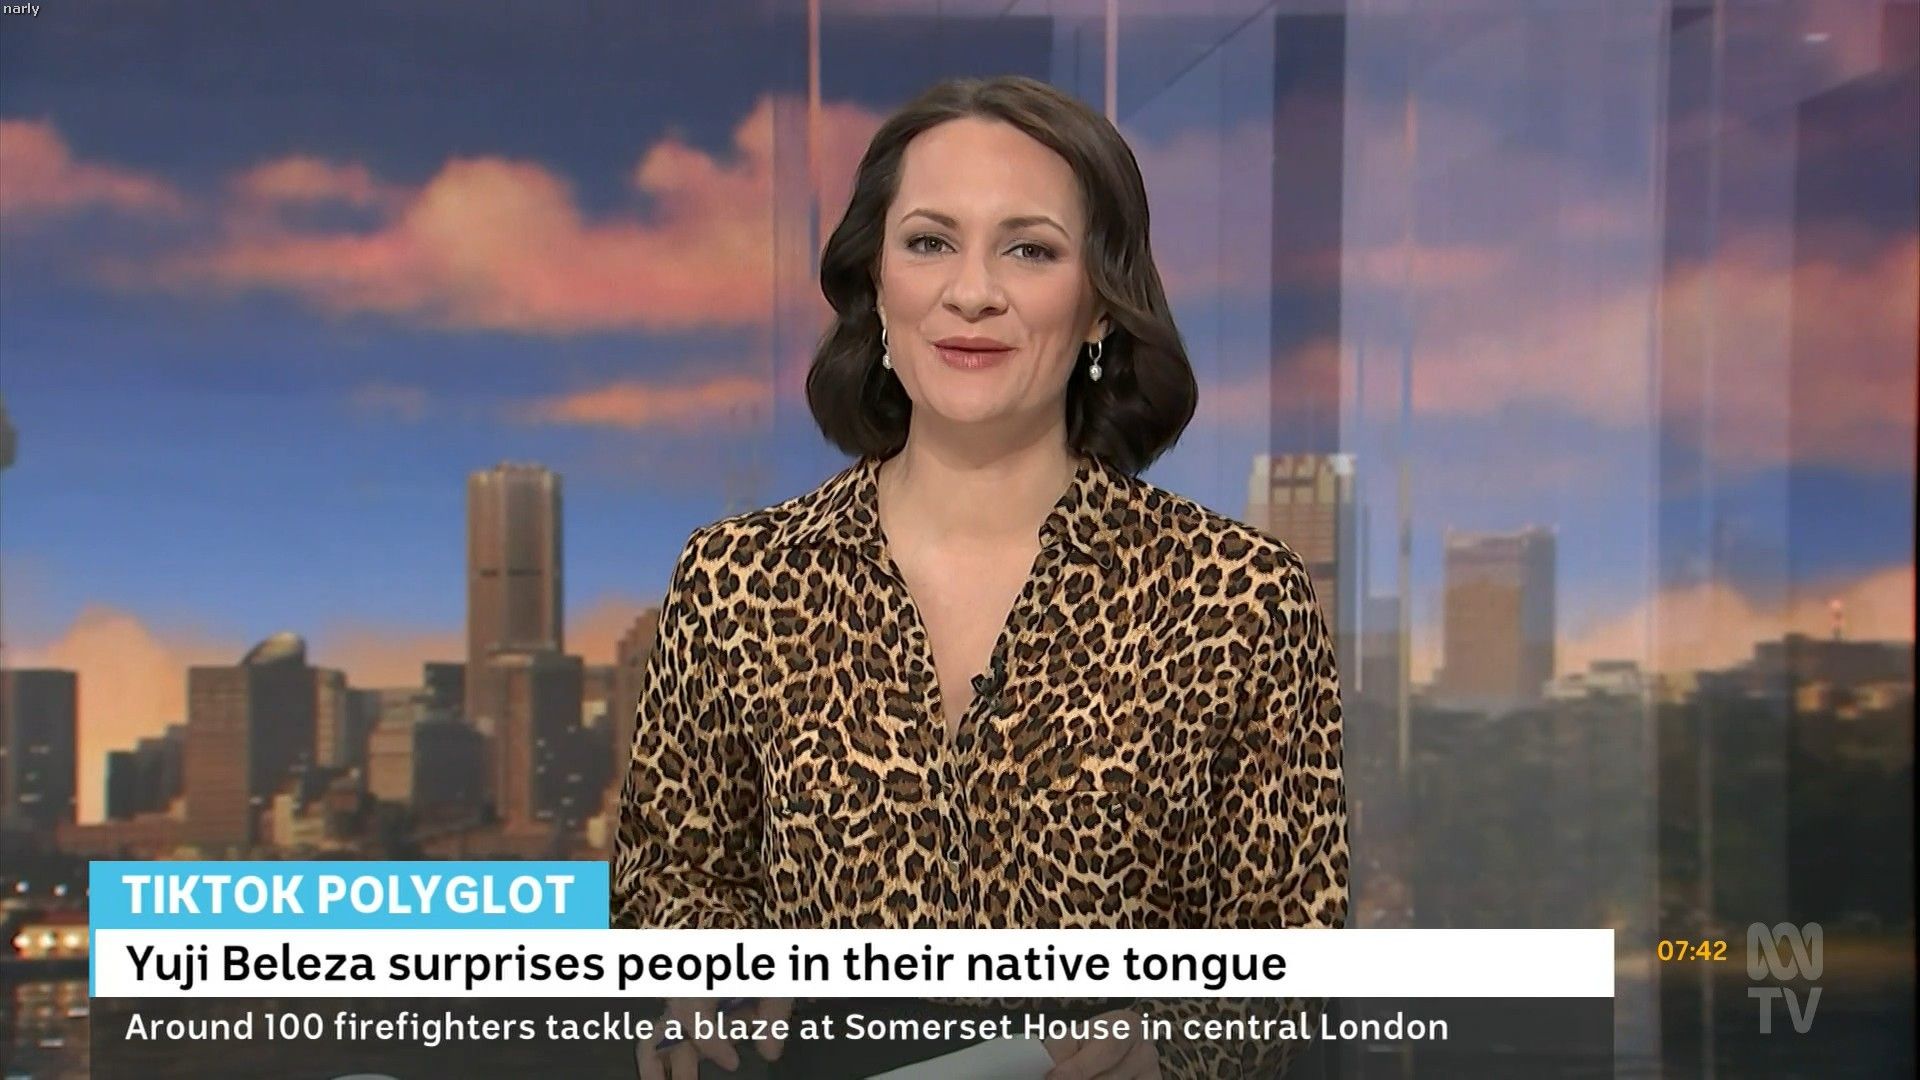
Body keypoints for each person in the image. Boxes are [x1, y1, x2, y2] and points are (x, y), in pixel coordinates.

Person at [614, 74, 1347, 1080]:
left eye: (1029, 250)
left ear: (1100, 306)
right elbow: (673, 873)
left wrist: (1172, 1041)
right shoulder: (738, 578)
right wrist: (702, 972)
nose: (972, 292)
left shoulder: (1242, 593)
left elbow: (1289, 941)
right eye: (929, 243)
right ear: (877, 286)